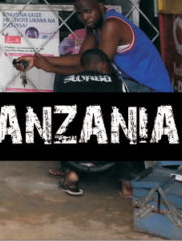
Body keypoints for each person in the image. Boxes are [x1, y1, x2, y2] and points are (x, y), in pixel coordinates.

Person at [17, 0, 173, 93]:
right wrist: (43, 63)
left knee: (92, 85)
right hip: (131, 83)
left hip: (149, 88)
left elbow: (94, 69)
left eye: (88, 11)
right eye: (80, 14)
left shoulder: (112, 25)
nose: (84, 17)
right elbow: (83, 60)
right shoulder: (94, 27)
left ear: (100, 7)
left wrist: (49, 65)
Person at [50, 48, 142, 198]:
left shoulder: (64, 82)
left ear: (82, 66)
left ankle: (70, 173)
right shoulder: (117, 84)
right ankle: (126, 184)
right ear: (105, 66)